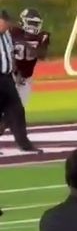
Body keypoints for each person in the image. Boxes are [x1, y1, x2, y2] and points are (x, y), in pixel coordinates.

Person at [0, 9, 38, 152]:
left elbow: (10, 55)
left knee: (17, 110)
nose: (7, 25)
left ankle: (24, 144)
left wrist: (16, 71)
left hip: (7, 78)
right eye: (5, 22)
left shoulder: (7, 35)